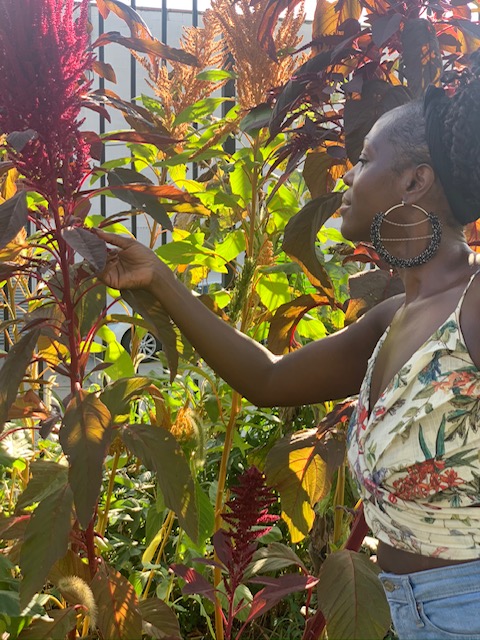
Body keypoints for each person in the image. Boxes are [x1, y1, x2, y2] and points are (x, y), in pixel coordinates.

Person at [95, 71, 480, 639]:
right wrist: (162, 281)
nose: (349, 175)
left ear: (414, 181)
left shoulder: (472, 306)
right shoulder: (392, 317)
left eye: (366, 158)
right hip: (414, 612)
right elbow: (269, 379)